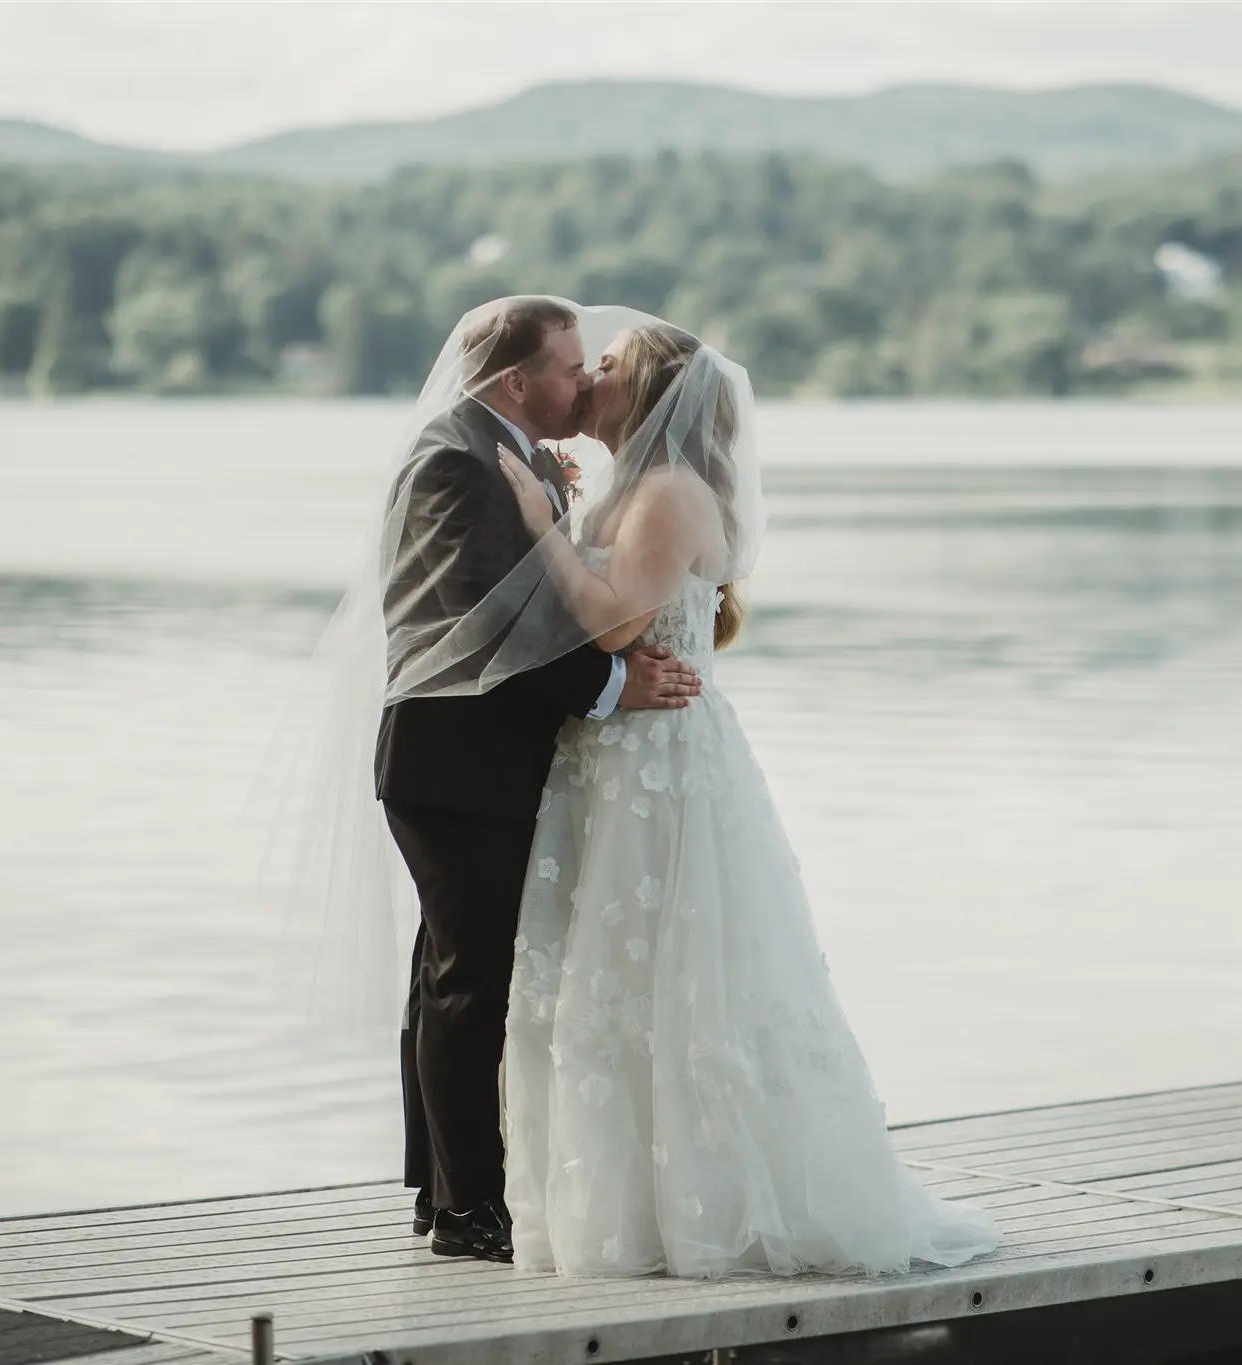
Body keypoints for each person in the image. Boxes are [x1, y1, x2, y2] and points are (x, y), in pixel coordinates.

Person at [490, 320, 1001, 1277]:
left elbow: (609, 624)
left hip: (659, 766)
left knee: (670, 981)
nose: (590, 373)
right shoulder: (632, 488)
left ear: (646, 395)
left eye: (608, 364)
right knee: (609, 980)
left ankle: (695, 1211)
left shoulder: (669, 494)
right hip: (614, 758)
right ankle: (620, 1208)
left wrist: (534, 524)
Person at [372, 298, 703, 1263]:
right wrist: (611, 683)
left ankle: (447, 1190)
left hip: (468, 757)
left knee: (450, 977)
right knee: (466, 981)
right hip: (455, 756)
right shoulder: (461, 457)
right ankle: (470, 1205)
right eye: (568, 366)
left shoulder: (491, 447)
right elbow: (488, 622)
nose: (582, 381)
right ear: (518, 381)